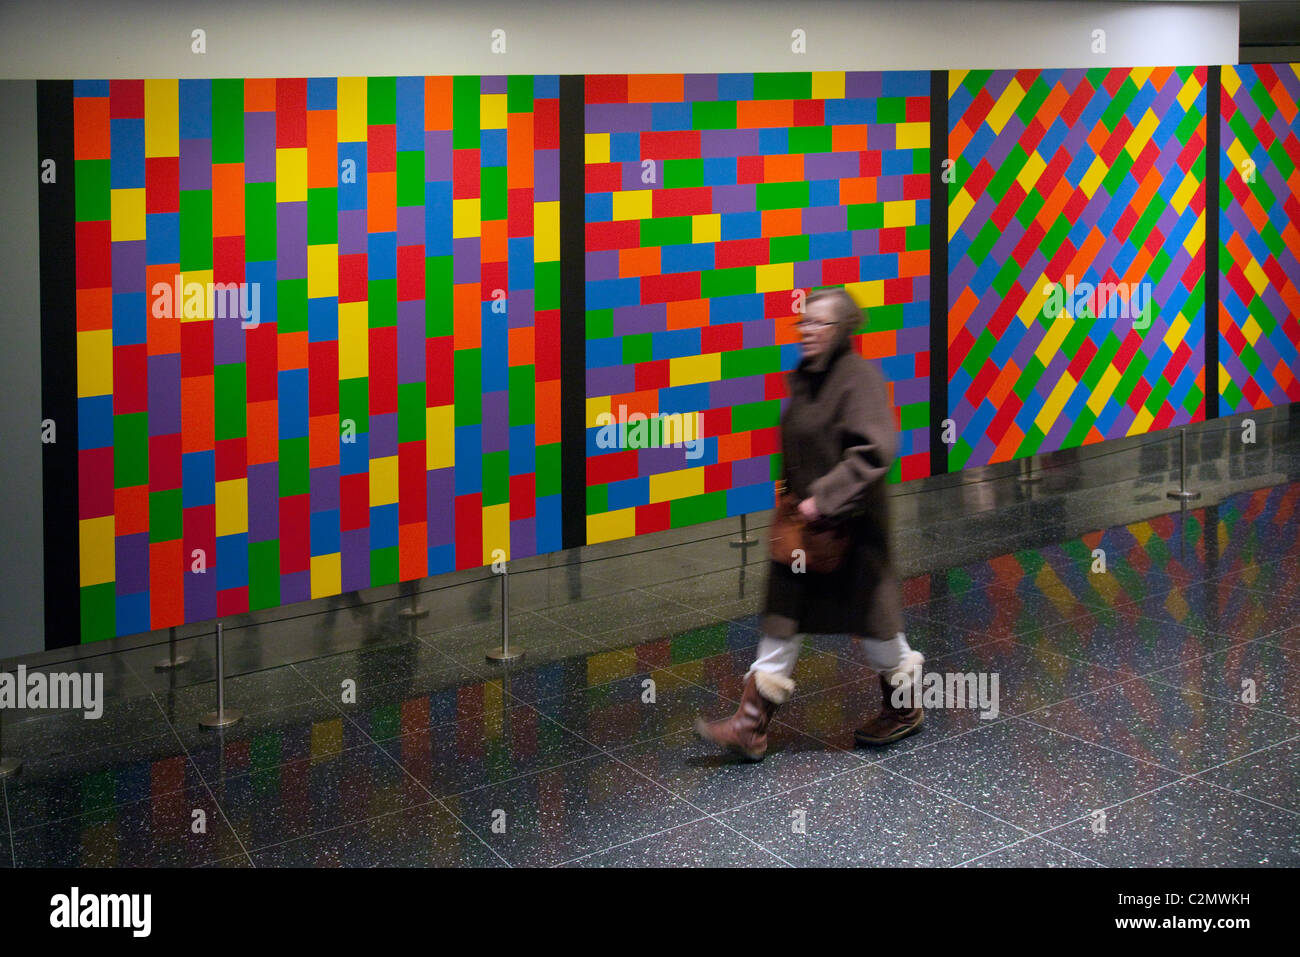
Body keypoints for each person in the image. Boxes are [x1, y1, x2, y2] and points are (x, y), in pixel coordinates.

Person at [694, 287, 924, 760]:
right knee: (783, 619)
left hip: (853, 529)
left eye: (819, 324)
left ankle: (904, 710)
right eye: (804, 322)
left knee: (878, 629)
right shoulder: (807, 377)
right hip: (805, 530)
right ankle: (750, 726)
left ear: (841, 331)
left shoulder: (857, 379)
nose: (807, 331)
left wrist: (827, 497)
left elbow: (876, 449)